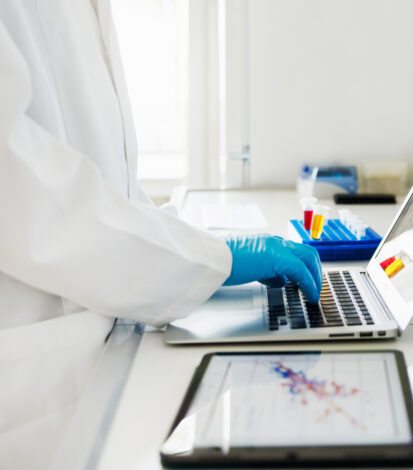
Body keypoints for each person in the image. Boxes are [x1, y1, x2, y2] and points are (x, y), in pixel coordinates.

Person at [0, 1, 321, 468]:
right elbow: (19, 190)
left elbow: (108, 185)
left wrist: (195, 255)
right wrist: (206, 260)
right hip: (41, 378)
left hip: (105, 344)